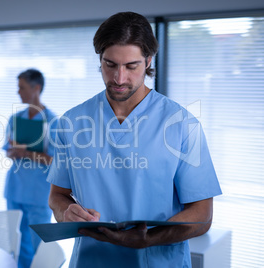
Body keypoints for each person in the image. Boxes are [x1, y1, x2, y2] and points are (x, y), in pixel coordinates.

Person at [47, 12, 222, 267]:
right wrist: (66, 212)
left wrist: (148, 239)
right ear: (100, 59)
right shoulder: (71, 122)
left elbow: (202, 216)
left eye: (131, 66)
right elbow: (57, 195)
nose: (119, 79)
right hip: (90, 261)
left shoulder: (182, 124)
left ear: (148, 61)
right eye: (110, 65)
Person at [3, 68, 57, 268]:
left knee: (38, 244)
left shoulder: (53, 121)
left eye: (22, 87)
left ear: (37, 88)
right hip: (15, 189)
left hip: (38, 192)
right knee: (16, 244)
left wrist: (25, 152)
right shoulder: (15, 119)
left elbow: (54, 159)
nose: (18, 92)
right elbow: (7, 151)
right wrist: (14, 151)